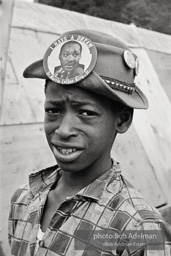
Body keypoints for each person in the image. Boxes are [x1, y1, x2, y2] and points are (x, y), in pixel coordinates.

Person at [8, 29, 171, 256]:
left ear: (122, 119)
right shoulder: (24, 199)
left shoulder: (138, 227)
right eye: (53, 110)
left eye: (85, 113)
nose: (63, 130)